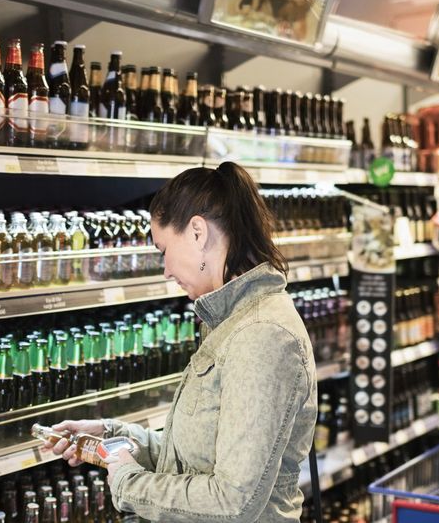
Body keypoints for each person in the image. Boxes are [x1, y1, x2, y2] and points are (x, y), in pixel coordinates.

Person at [44, 162, 318, 522]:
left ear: (197, 233)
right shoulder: (232, 322)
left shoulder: (261, 335)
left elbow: (232, 502)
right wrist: (116, 437)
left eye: (163, 250)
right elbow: (199, 458)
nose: (166, 271)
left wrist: (128, 482)